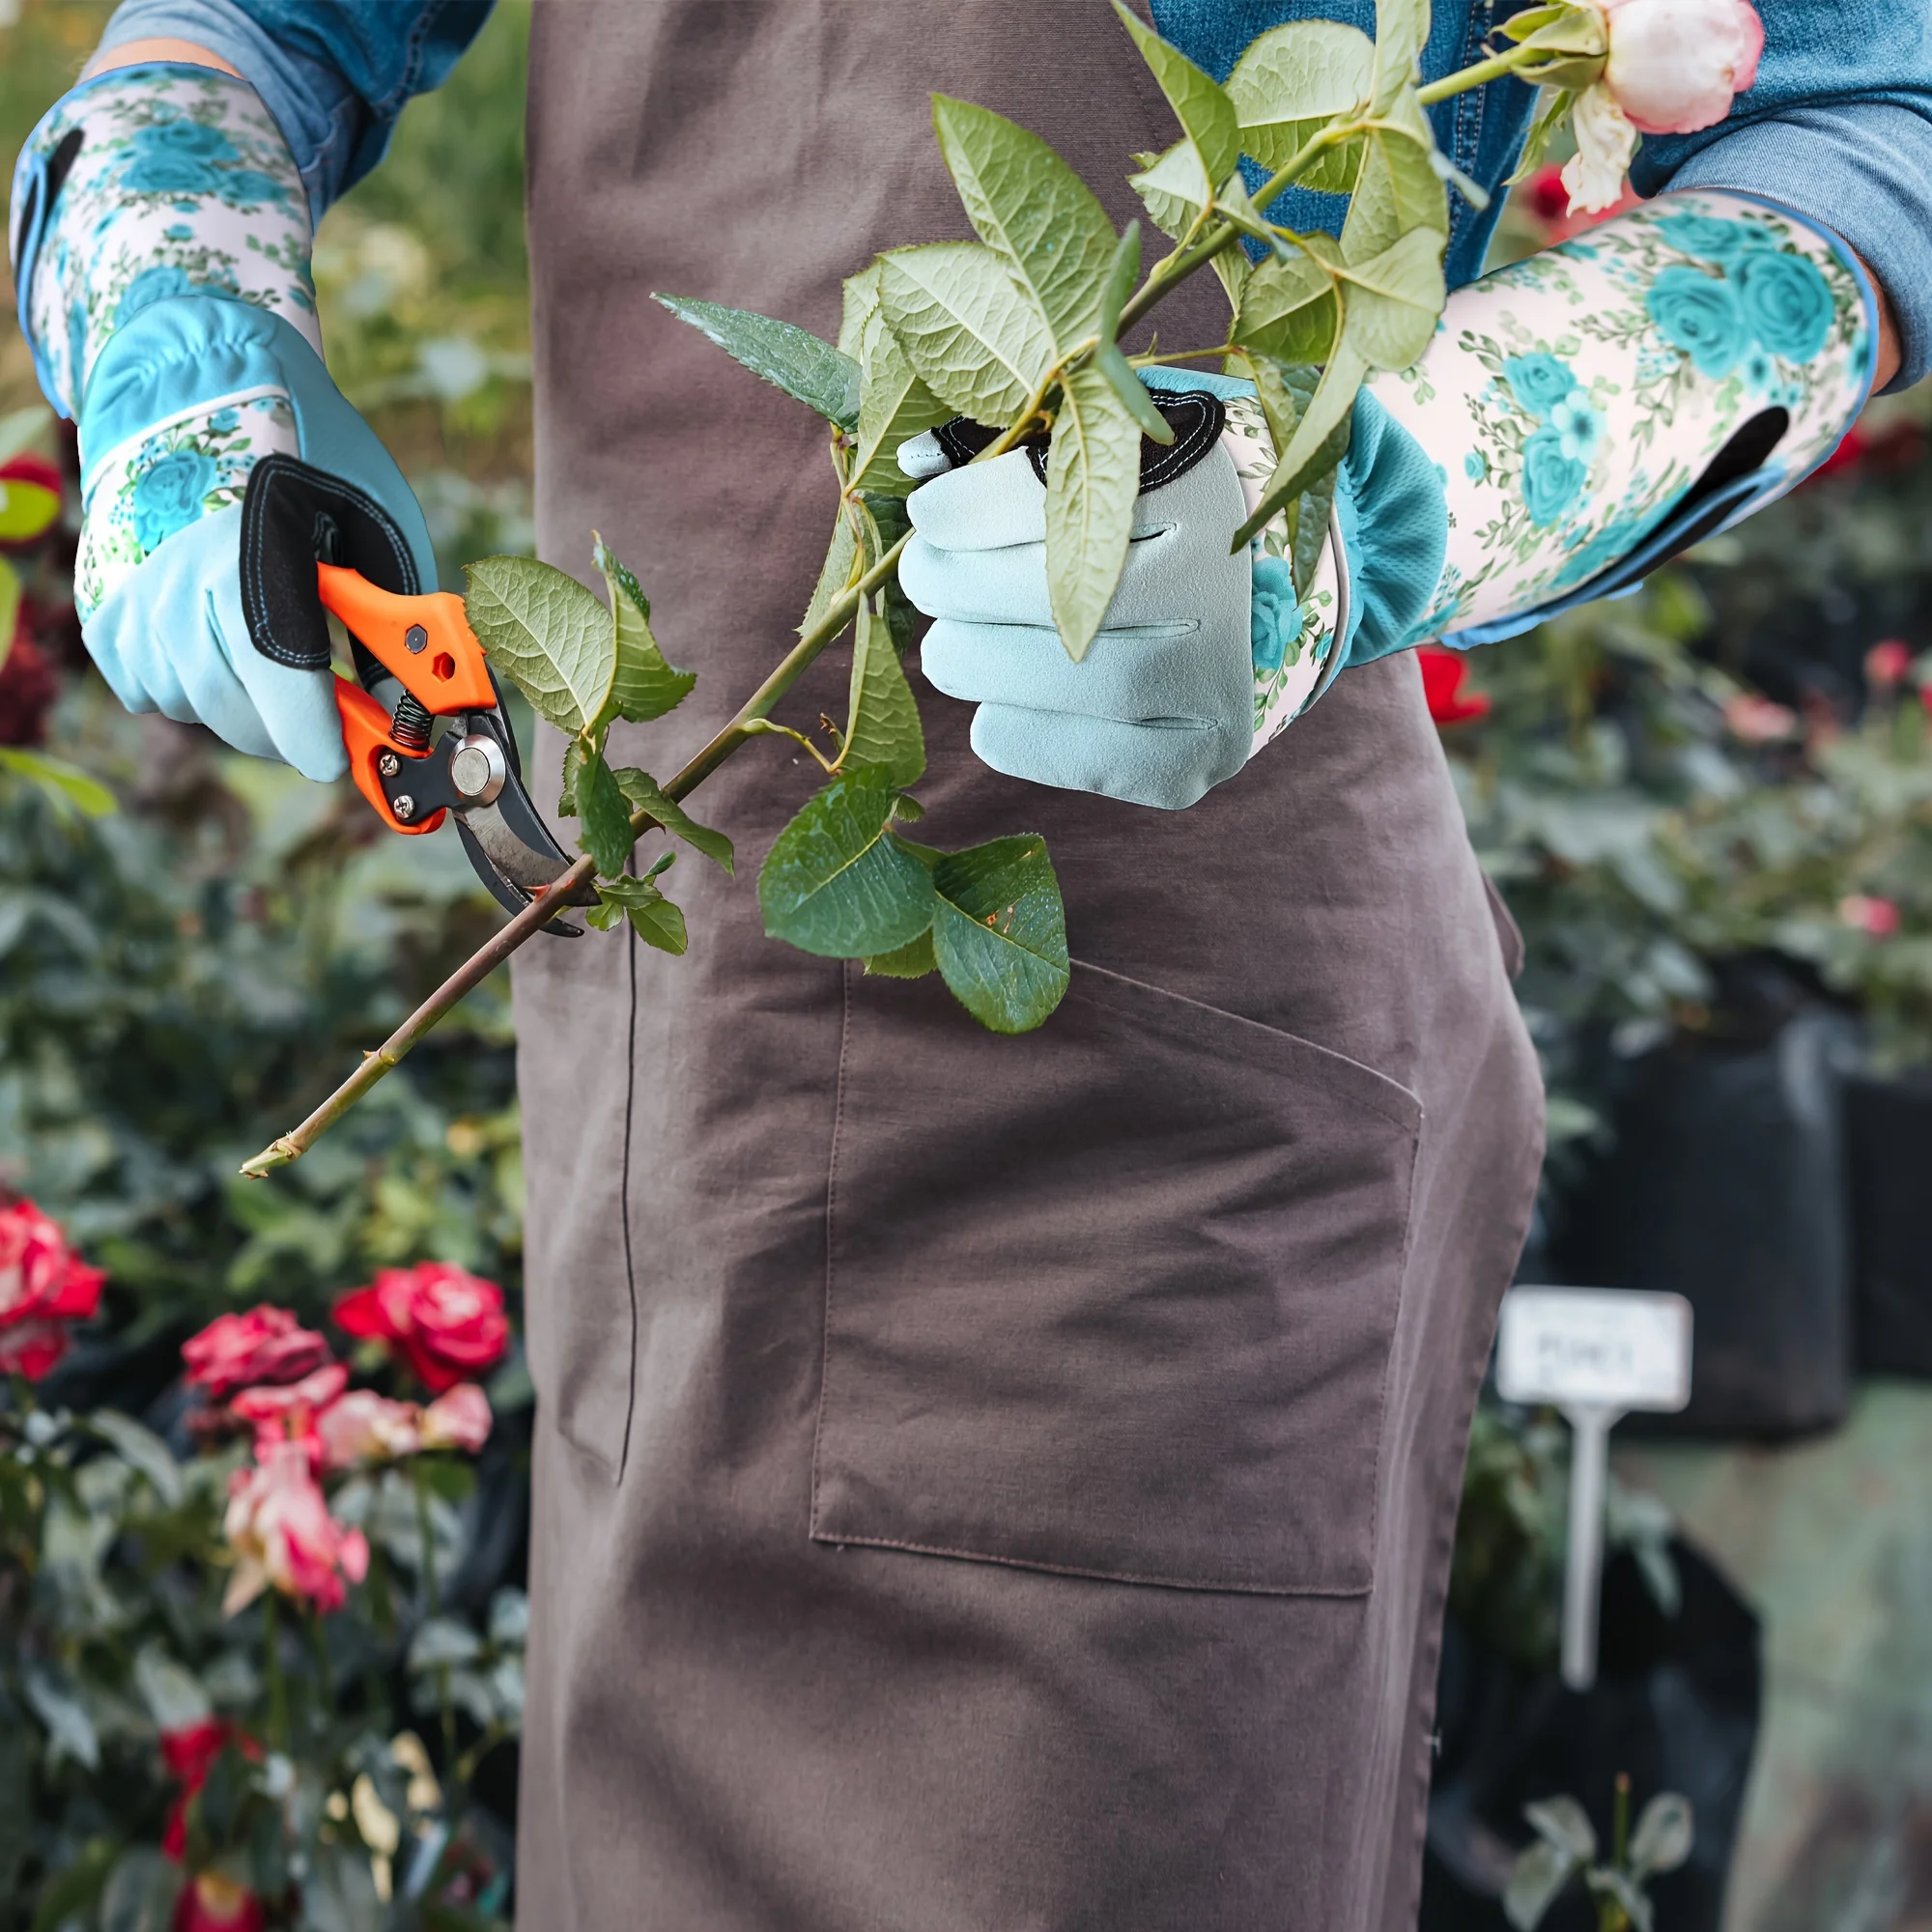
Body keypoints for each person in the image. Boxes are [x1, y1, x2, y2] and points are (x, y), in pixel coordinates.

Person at [8, 4, 1925, 1926]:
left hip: (1143, 1164)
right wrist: (178, 328)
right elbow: (248, 39)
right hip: (675, 1074)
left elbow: (1866, 141)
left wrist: (1383, 487)